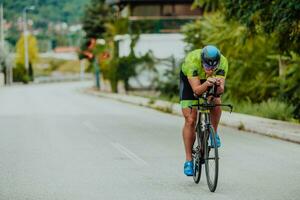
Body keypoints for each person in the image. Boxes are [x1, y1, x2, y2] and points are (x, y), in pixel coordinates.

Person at [179, 45, 228, 176]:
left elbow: (220, 90)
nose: (210, 69)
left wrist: (217, 86)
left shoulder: (223, 62)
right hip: (191, 81)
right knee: (190, 119)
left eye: (214, 67)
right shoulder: (192, 61)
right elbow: (196, 91)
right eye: (207, 66)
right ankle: (188, 160)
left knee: (216, 101)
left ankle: (214, 133)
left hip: (209, 81)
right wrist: (206, 83)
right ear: (202, 61)